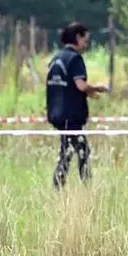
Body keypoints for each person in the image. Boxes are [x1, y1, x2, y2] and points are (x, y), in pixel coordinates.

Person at [46, 21, 109, 190]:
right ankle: (85, 187)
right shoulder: (75, 59)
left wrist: (87, 93)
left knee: (68, 151)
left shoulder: (56, 60)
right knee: (81, 152)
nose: (86, 45)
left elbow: (65, 86)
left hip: (56, 113)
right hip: (71, 115)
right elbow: (80, 85)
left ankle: (59, 187)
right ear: (77, 38)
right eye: (85, 41)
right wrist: (97, 88)